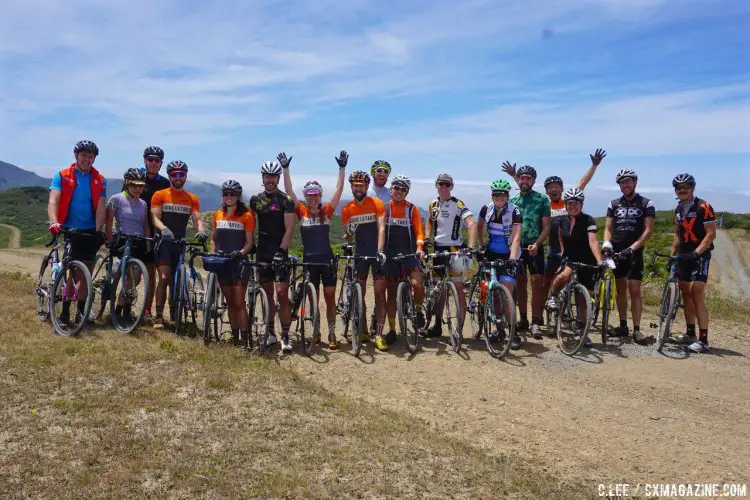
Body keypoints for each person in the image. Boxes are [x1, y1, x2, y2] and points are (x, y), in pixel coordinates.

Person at [504, 149, 607, 334]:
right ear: (546, 190)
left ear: (562, 188)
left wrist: (594, 166)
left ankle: (567, 316)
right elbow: (525, 192)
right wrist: (514, 175)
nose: (553, 189)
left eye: (556, 186)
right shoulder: (545, 203)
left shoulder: (569, 203)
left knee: (554, 281)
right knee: (545, 282)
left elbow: (582, 184)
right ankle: (541, 316)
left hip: (565, 248)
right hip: (551, 248)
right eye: (550, 187)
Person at [281, 150, 348, 349]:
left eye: (315, 195)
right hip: (309, 261)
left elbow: (338, 190)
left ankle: (332, 333)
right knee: (313, 299)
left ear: (319, 196)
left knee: (329, 297)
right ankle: (316, 332)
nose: (312, 198)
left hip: (326, 261)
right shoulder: (301, 211)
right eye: (309, 195)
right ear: (305, 197)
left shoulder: (325, 211)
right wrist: (285, 169)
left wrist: (342, 168)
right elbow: (288, 190)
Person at [47, 140, 107, 325]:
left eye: (91, 157)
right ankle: (64, 313)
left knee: (85, 273)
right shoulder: (62, 175)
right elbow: (53, 200)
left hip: (89, 230)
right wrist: (54, 221)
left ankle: (80, 312)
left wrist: (99, 231)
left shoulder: (99, 178)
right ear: (76, 156)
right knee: (71, 272)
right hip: (69, 228)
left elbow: (101, 207)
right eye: (84, 155)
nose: (87, 159)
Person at [545, 188, 607, 348]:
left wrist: (600, 261)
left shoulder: (589, 220)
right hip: (571, 259)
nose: (573, 206)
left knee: (583, 299)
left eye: (576, 203)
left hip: (588, 260)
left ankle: (582, 329)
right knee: (562, 277)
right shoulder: (561, 221)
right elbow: (560, 236)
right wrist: (563, 253)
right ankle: (553, 297)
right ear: (566, 204)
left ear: (581, 204)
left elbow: (593, 242)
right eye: (570, 203)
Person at [150, 160, 207, 329]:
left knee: (176, 280)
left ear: (185, 176)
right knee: (164, 278)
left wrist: (201, 230)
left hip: (180, 243)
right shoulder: (160, 194)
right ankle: (159, 316)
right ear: (169, 176)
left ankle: (174, 314)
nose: (177, 177)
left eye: (181, 174)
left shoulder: (191, 198)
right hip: (164, 242)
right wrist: (163, 229)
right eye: (174, 174)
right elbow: (155, 217)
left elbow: (197, 218)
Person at [602, 168, 656, 345]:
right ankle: (623, 325)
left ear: (635, 182)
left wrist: (633, 248)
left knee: (634, 290)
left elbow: (648, 230)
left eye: (628, 181)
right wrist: (607, 244)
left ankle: (637, 329)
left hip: (635, 253)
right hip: (617, 252)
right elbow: (608, 228)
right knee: (620, 290)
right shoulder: (614, 204)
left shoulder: (646, 204)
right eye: (622, 182)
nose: (625, 185)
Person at [248, 159, 296, 353]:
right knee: (267, 295)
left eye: (273, 176)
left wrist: (281, 251)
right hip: (262, 252)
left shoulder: (286, 201)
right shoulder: (255, 200)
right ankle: (270, 334)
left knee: (282, 295)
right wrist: (249, 244)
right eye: (267, 176)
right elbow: (250, 224)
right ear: (263, 177)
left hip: (279, 251)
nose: (270, 180)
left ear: (277, 178)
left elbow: (289, 229)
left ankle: (285, 336)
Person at [423, 173, 477, 338]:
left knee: (459, 289)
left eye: (447, 184)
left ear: (452, 187)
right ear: (436, 185)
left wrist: (469, 247)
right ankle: (437, 325)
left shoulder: (458, 203)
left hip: (456, 249)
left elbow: (471, 224)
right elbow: (429, 222)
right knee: (439, 290)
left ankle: (459, 329)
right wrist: (426, 238)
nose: (444, 187)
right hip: (438, 250)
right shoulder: (433, 204)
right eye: (441, 184)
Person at [340, 170, 388, 351]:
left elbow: (381, 228)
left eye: (361, 185)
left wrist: (380, 250)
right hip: (360, 253)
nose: (358, 188)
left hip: (376, 254)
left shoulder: (376, 203)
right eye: (355, 185)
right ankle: (364, 330)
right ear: (351, 187)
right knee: (359, 292)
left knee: (379, 294)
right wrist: (349, 232)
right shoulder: (347, 209)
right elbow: (347, 237)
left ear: (367, 186)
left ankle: (379, 334)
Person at [669, 173, 716, 353]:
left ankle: (703, 340)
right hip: (683, 254)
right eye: (679, 188)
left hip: (700, 255)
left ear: (692, 188)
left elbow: (711, 233)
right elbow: (678, 234)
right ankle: (690, 333)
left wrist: (696, 253)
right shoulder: (678, 208)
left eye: (686, 187)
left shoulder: (704, 206)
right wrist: (673, 255)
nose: (682, 190)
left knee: (696, 293)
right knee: (685, 293)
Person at [506, 164, 551, 338]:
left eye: (528, 178)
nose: (525, 180)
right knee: (520, 284)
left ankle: (535, 321)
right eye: (522, 177)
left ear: (533, 180)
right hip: (517, 247)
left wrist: (538, 244)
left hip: (535, 246)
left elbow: (546, 226)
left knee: (536, 284)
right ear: (519, 179)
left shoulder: (541, 199)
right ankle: (523, 319)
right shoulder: (513, 201)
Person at [477, 179, 523, 348]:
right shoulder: (486, 208)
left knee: (506, 292)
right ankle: (499, 330)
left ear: (507, 195)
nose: (499, 197)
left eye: (502, 194)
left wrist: (512, 258)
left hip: (509, 254)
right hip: (491, 253)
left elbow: (517, 235)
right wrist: (481, 246)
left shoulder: (514, 211)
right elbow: (479, 226)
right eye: (496, 194)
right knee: (493, 293)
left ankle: (513, 331)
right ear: (492, 195)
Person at [210, 180, 255, 346]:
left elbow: (250, 242)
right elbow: (213, 239)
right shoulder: (217, 214)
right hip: (223, 263)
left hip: (239, 263)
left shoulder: (246, 216)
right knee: (229, 303)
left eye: (233, 194)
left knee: (239, 303)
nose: (229, 197)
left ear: (238, 196)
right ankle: (235, 338)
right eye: (226, 193)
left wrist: (241, 252)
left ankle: (246, 338)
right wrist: (213, 253)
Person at [382, 174, 426, 344]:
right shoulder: (384, 208)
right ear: (391, 189)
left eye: (403, 189)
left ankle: (418, 310)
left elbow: (419, 231)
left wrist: (420, 247)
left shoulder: (412, 209)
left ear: (406, 192)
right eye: (396, 188)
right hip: (390, 255)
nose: (399, 191)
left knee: (417, 284)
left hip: (409, 254)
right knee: (391, 295)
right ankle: (392, 329)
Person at [105, 168, 150, 321]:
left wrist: (148, 242)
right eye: (134, 185)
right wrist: (110, 241)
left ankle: (123, 308)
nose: (138, 188)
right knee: (123, 277)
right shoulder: (116, 199)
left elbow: (145, 225)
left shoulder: (143, 203)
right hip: (121, 240)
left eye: (141, 185)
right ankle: (119, 311)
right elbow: (109, 221)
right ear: (126, 183)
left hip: (137, 242)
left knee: (135, 278)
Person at [139, 146, 170, 321]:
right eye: (150, 159)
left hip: (156, 232)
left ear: (161, 163)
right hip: (136, 230)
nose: (153, 163)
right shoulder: (136, 178)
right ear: (145, 160)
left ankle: (147, 310)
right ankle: (124, 305)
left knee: (151, 273)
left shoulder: (164, 183)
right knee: (132, 272)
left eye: (156, 160)